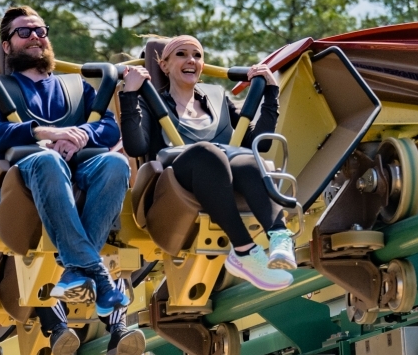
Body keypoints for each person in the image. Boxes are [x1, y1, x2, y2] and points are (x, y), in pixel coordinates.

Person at [0, 5, 144, 355]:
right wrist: (43, 133)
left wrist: (81, 135)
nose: (35, 36)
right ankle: (97, 277)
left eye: (40, 31)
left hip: (77, 171)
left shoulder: (74, 87)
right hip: (21, 183)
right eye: (24, 32)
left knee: (115, 163)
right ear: (6, 45)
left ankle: (78, 270)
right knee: (47, 160)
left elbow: (108, 127)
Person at [119, 34, 293, 291]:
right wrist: (130, 94)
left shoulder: (216, 97)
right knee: (207, 152)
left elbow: (260, 142)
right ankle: (244, 249)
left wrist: (271, 93)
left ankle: (278, 234)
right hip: (174, 182)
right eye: (181, 54)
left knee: (249, 160)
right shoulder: (150, 100)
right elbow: (136, 147)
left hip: (220, 178)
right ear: (164, 65)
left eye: (197, 55)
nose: (191, 60)